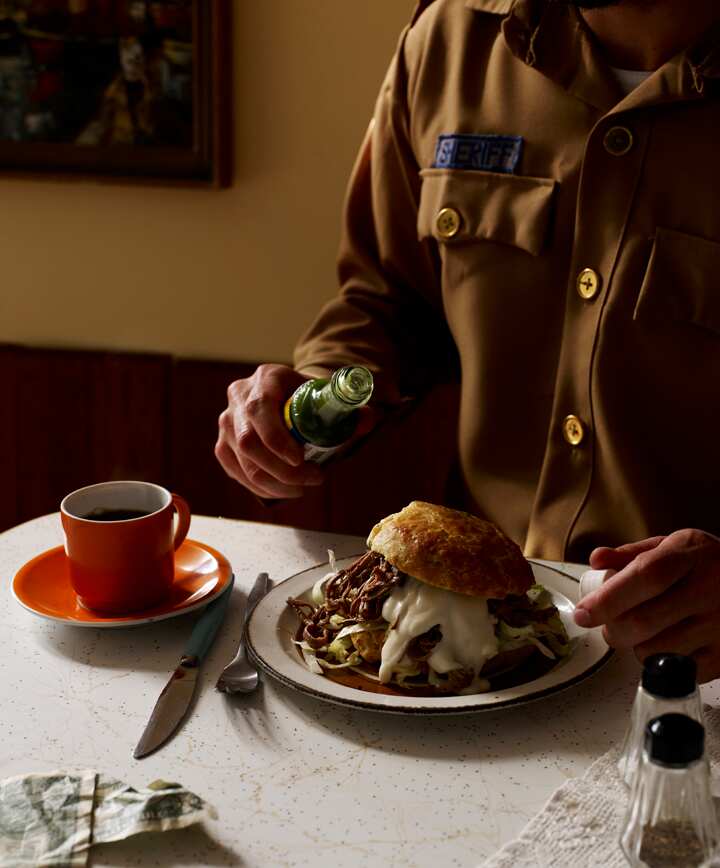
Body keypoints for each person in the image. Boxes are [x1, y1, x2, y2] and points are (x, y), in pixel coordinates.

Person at [215, 0, 720, 681]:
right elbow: (388, 298)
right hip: (465, 649)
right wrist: (313, 402)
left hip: (695, 671)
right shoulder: (448, 40)